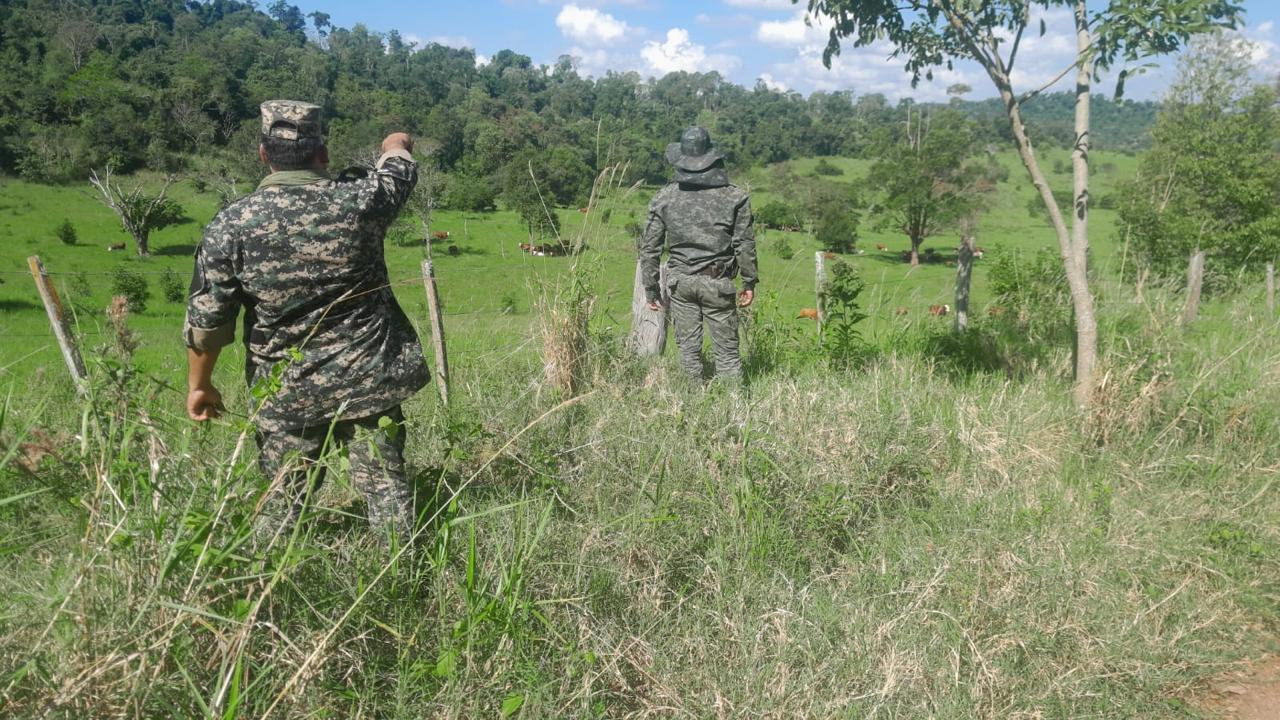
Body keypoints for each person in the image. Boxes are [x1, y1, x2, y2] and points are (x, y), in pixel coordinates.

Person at [183, 99, 428, 541]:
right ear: (323, 153)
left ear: (263, 155)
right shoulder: (362, 200)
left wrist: (200, 385)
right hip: (367, 380)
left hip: (285, 387)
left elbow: (208, 318)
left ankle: (265, 589)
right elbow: (399, 168)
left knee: (280, 502)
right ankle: (399, 580)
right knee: (388, 493)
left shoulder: (232, 224)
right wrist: (395, 142)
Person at [640, 126, 758, 383]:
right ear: (712, 157)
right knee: (727, 355)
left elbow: (650, 248)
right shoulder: (735, 197)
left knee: (688, 352)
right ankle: (735, 412)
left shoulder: (664, 197)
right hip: (718, 284)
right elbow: (744, 244)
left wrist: (651, 288)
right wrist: (749, 282)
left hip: (680, 283)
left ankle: (692, 407)